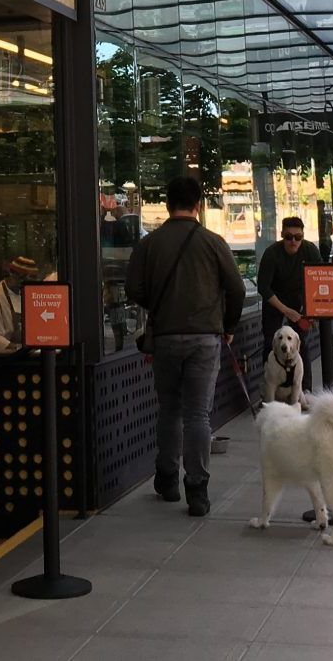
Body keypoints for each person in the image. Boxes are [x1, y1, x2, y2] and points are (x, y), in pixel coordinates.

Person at [125, 176, 246, 517]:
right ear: (198, 205)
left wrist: (159, 306)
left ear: (167, 205)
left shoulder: (150, 244)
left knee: (169, 409)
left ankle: (166, 478)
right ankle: (198, 489)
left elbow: (132, 288)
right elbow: (236, 289)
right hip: (205, 339)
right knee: (197, 414)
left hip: (164, 337)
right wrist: (229, 325)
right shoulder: (213, 242)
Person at [256, 216, 325, 393]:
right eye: (288, 237)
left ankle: (304, 389)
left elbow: (319, 279)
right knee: (270, 342)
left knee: (302, 343)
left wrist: (311, 311)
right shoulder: (272, 254)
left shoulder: (310, 250)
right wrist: (286, 310)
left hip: (299, 298)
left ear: (303, 236)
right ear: (282, 235)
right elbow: (264, 288)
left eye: (297, 237)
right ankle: (269, 390)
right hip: (275, 299)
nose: (293, 241)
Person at [0, 256, 39, 350]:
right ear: (12, 275)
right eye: (21, 280)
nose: (24, 286)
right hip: (4, 358)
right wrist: (18, 350)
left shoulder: (28, 294)